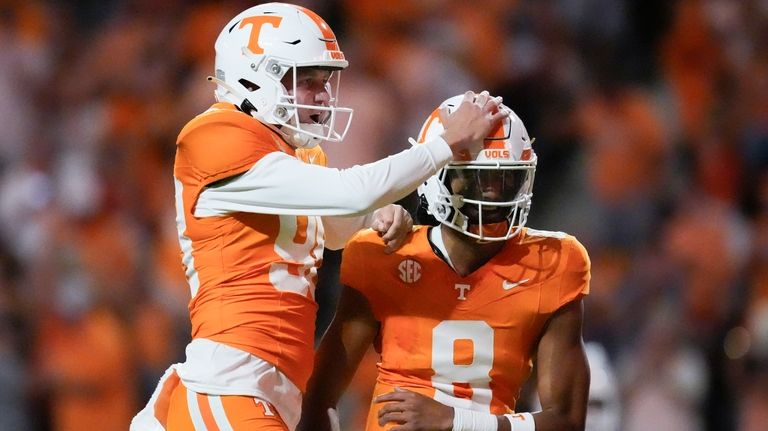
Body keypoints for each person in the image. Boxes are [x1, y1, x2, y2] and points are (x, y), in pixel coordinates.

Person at [130, 3, 507, 431]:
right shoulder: (215, 136)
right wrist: (444, 145)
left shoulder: (295, 152)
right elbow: (351, 192)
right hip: (230, 383)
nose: (324, 96)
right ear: (257, 74)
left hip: (270, 387)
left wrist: (376, 217)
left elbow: (334, 230)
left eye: (324, 81)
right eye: (307, 81)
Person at [300, 94, 591, 431]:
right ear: (437, 177)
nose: (493, 194)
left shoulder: (553, 262)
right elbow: (319, 399)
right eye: (477, 179)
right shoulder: (384, 254)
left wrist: (457, 422)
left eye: (504, 178)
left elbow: (567, 421)